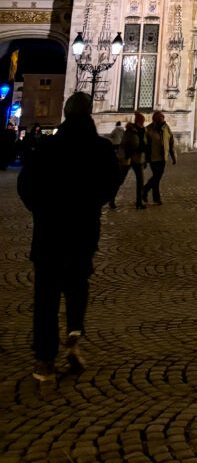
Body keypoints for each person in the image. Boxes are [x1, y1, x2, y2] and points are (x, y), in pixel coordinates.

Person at [17, 91, 119, 381]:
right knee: (78, 282)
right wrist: (90, 203)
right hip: (82, 230)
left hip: (49, 232)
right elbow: (111, 182)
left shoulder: (48, 147)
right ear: (89, 113)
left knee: (46, 296)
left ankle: (45, 361)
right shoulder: (100, 147)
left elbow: (26, 185)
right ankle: (74, 327)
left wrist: (41, 210)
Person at [142, 111, 176, 205]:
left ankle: (151, 195)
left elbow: (171, 141)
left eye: (162, 118)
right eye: (159, 118)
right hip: (154, 157)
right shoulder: (148, 129)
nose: (161, 119)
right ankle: (147, 192)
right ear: (154, 119)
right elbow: (145, 145)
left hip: (163, 156)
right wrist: (145, 159)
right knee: (157, 176)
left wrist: (173, 156)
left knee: (157, 177)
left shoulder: (166, 128)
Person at [121, 113, 148, 209]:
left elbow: (145, 143)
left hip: (139, 158)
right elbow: (124, 143)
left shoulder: (144, 130)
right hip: (129, 158)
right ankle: (111, 198)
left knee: (140, 181)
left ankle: (139, 202)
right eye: (141, 120)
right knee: (121, 179)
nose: (142, 122)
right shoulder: (130, 130)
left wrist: (145, 158)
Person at [106, 121, 124, 209]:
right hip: (126, 154)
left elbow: (110, 135)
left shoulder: (115, 129)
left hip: (116, 146)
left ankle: (111, 199)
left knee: (119, 179)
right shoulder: (123, 130)